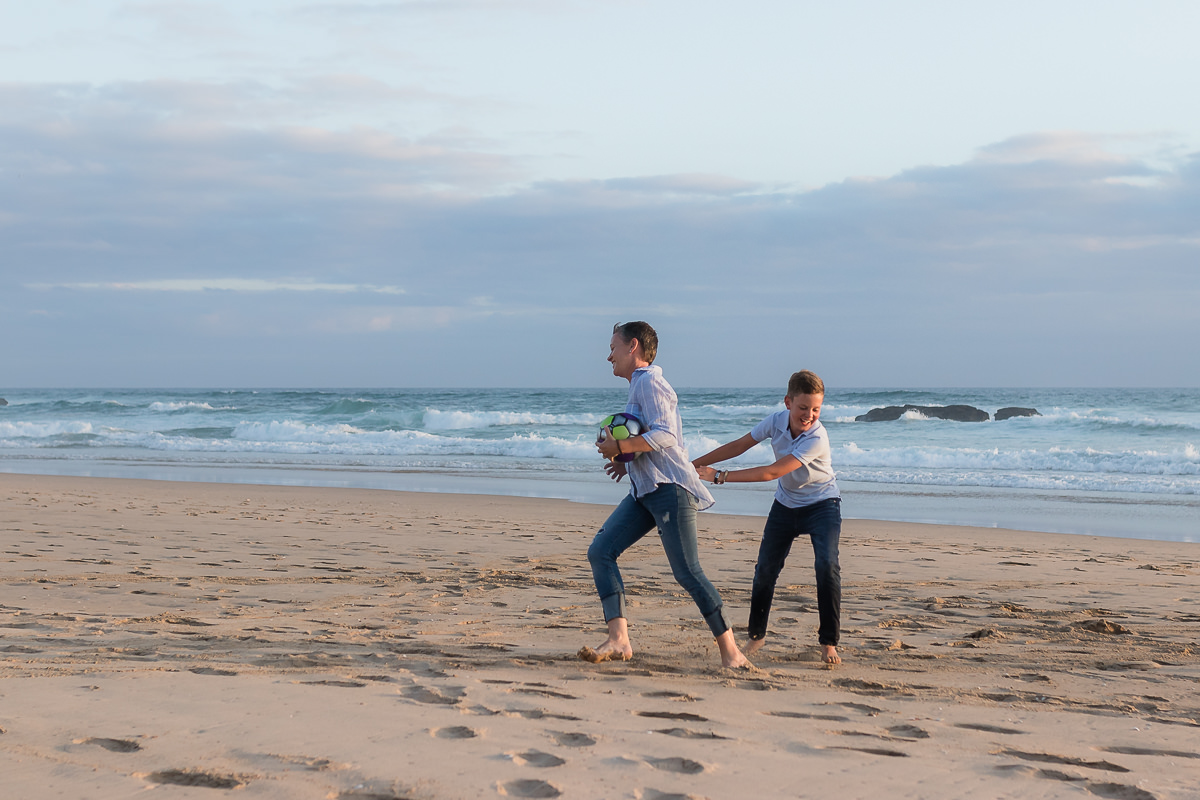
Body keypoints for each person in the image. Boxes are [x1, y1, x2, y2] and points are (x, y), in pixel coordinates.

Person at [582, 321, 751, 669]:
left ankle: (732, 653)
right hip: (645, 490)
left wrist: (621, 445)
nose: (608, 355)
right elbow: (652, 441)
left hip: (671, 490)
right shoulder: (638, 386)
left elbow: (665, 435)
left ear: (632, 347)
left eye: (613, 347)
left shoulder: (651, 382)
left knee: (687, 571)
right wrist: (627, 462)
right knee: (601, 551)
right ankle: (619, 640)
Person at [692, 370, 842, 665]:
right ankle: (757, 637)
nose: (809, 415)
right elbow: (740, 445)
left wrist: (719, 476)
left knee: (827, 565)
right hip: (786, 505)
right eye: (803, 408)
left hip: (822, 505)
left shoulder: (817, 437)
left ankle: (828, 643)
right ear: (788, 402)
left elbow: (772, 472)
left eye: (816, 409)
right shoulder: (776, 422)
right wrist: (696, 464)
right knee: (765, 570)